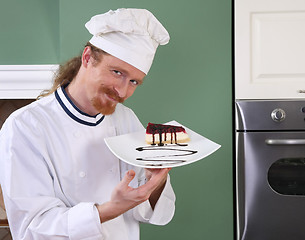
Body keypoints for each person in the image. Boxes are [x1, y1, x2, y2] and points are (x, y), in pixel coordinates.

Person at [0, 8, 175, 240]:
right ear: (87, 58)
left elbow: (153, 211)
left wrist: (157, 179)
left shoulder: (126, 118)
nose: (123, 90)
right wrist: (110, 209)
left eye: (134, 81)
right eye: (116, 72)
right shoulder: (25, 127)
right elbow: (33, 227)